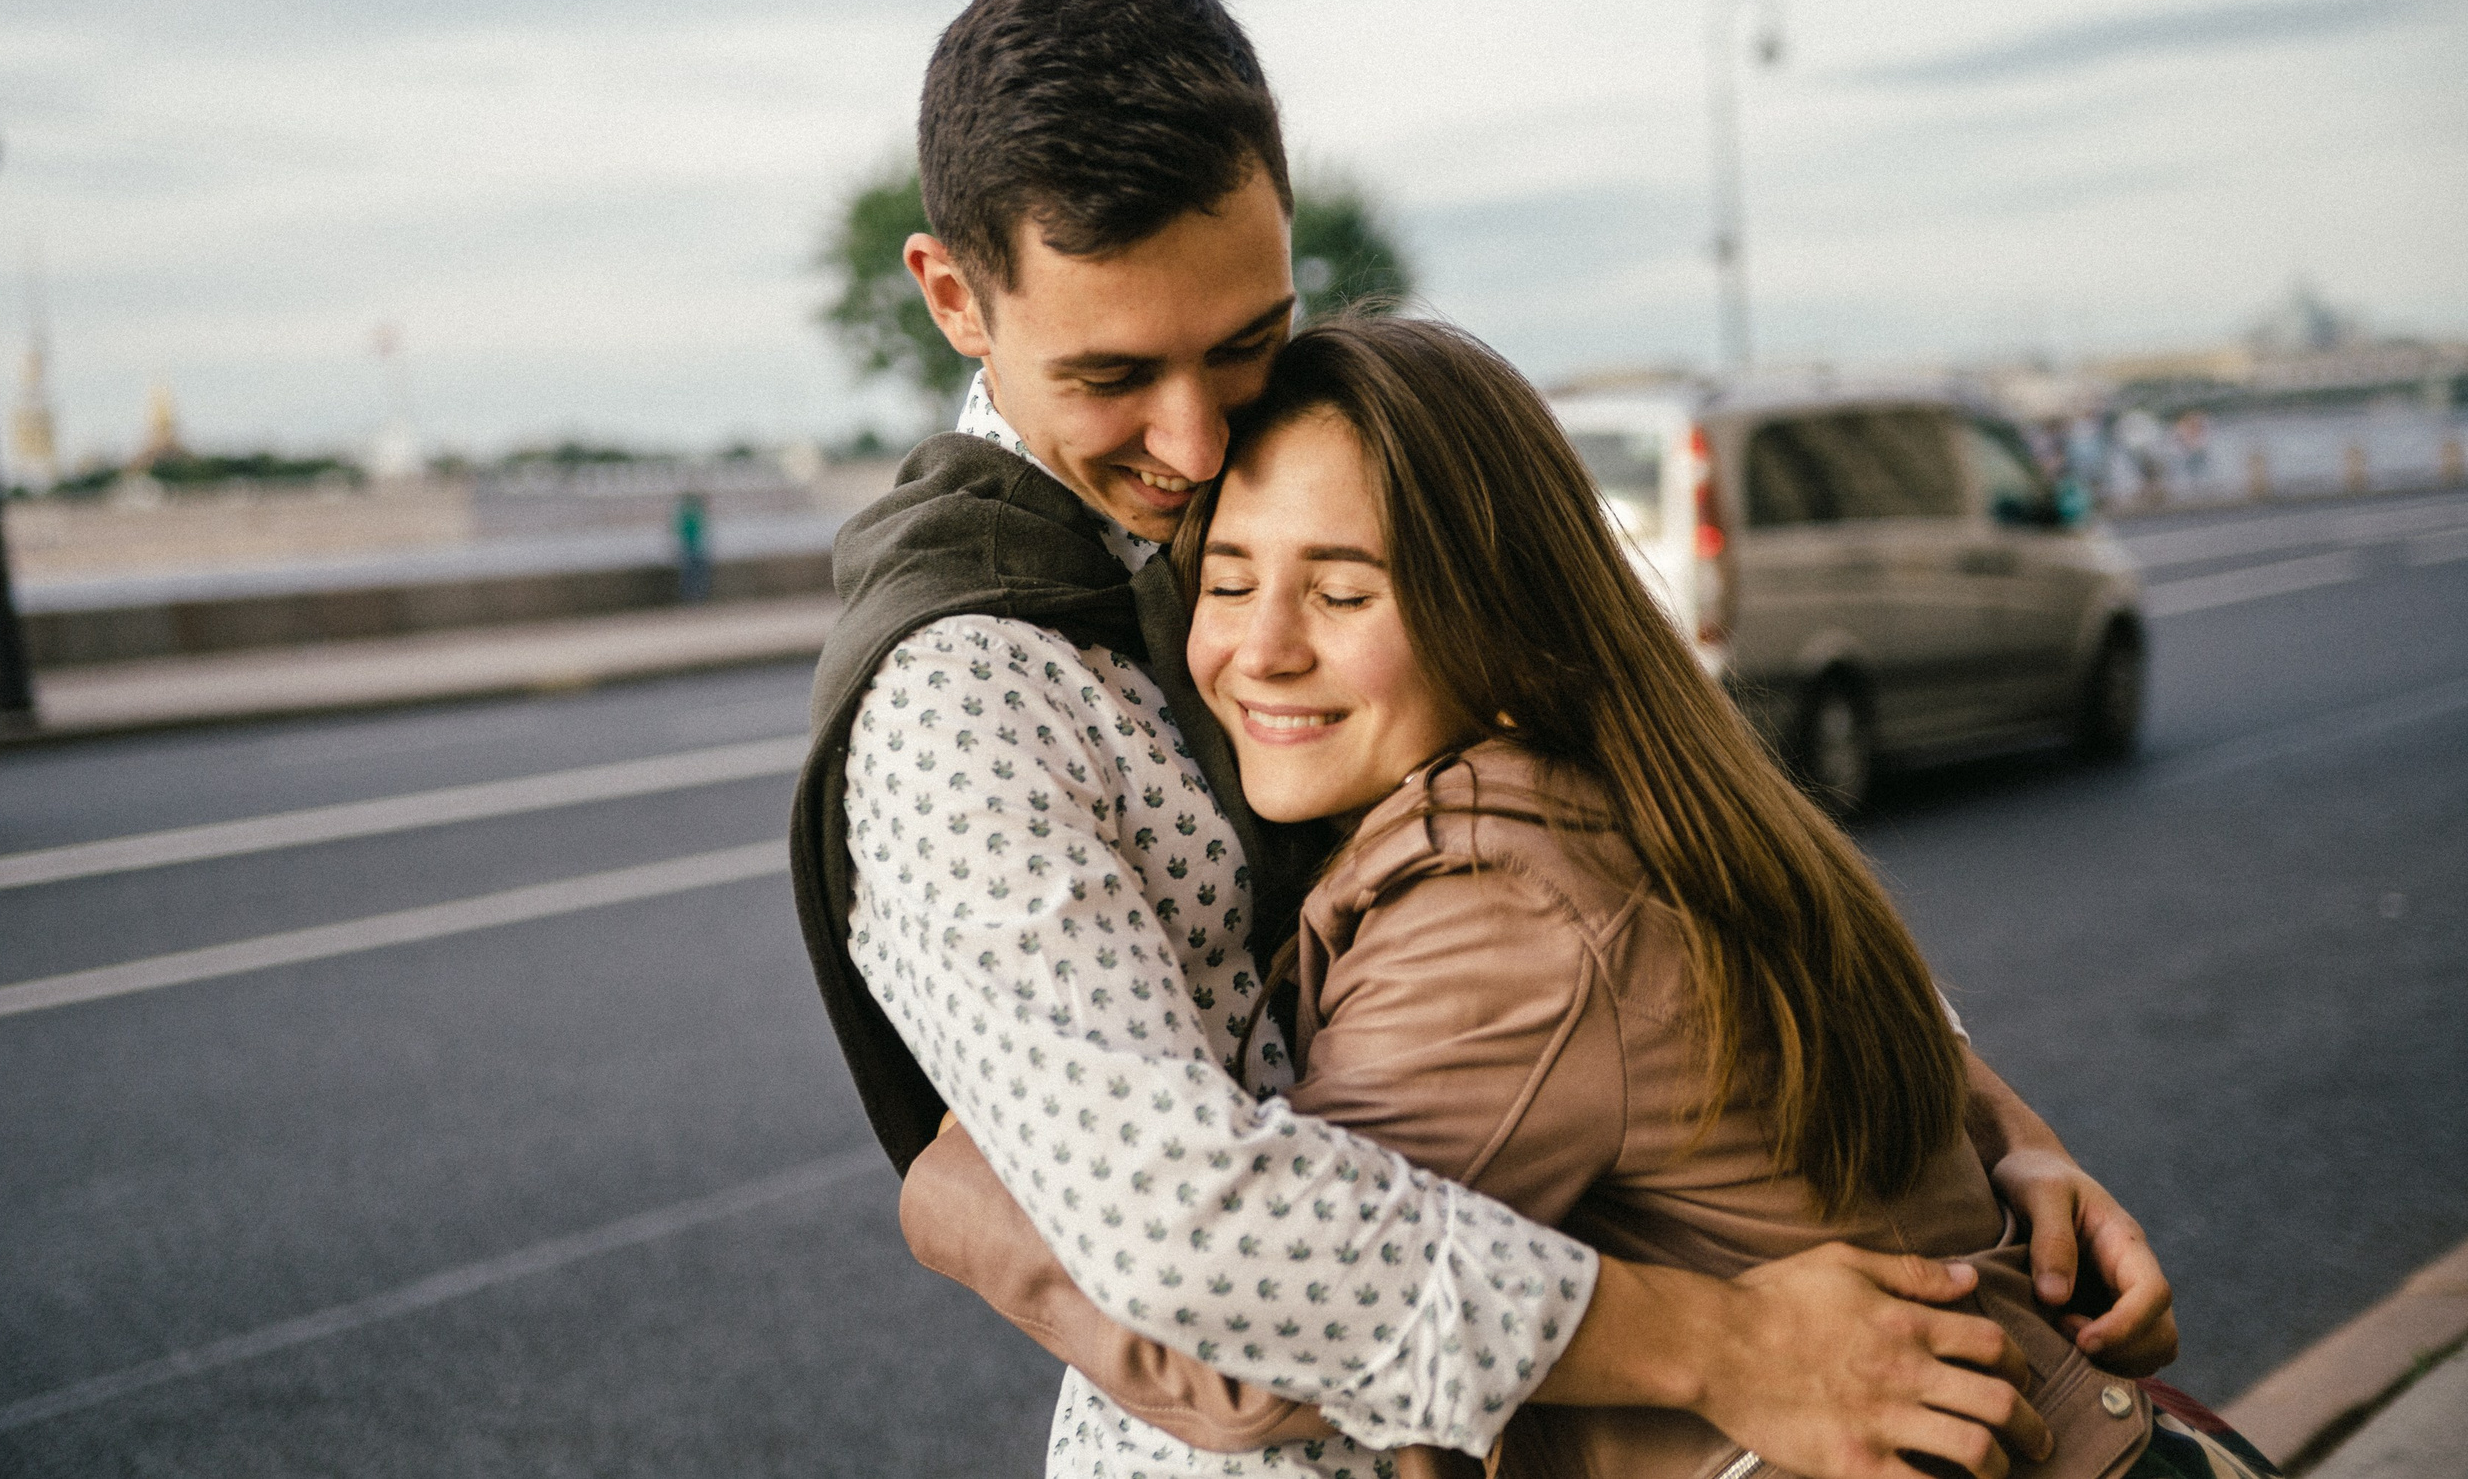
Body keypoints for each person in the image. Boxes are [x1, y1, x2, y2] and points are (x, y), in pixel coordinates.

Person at [790, 0, 2171, 1479]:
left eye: (1244, 342)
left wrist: (1984, 1137)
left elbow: (1678, 848)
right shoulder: (963, 702)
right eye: (1113, 375)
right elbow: (1191, 1233)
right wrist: (1725, 1338)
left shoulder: (1307, 457)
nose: (1193, 442)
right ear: (953, 295)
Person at [904, 317, 2261, 1479]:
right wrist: (2012, 1135)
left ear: (1492, 616)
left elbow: (1255, 1340)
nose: (1261, 648)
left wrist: (954, 1187)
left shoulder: (1493, 902)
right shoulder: (1640, 781)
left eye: (1344, 591)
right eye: (1231, 577)